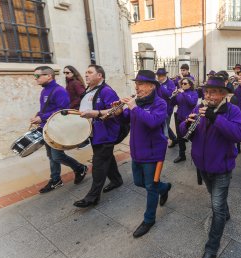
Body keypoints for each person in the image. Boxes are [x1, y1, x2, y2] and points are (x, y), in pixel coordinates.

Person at [179, 76, 241, 258]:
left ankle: (211, 251)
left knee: (216, 207)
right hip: (202, 165)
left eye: (213, 92)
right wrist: (186, 122)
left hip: (222, 166)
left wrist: (215, 118)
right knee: (215, 196)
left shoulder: (233, 110)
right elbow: (185, 133)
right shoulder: (198, 108)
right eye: (206, 92)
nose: (208, 95)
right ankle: (225, 210)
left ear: (223, 94)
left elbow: (238, 135)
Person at [119, 70, 172, 238]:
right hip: (137, 151)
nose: (137, 87)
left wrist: (134, 107)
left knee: (150, 187)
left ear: (151, 86)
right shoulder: (138, 101)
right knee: (139, 182)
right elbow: (126, 118)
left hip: (153, 152)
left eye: (140, 84)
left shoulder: (160, 103)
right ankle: (164, 188)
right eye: (136, 84)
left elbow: (153, 122)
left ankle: (149, 219)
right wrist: (119, 111)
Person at [73, 65, 124, 208]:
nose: (86, 75)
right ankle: (116, 180)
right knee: (106, 158)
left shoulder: (107, 91)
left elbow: (116, 110)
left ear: (100, 75)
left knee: (98, 164)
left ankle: (92, 197)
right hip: (95, 133)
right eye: (86, 72)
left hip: (105, 134)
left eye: (90, 72)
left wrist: (94, 113)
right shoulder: (89, 90)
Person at [31, 66, 87, 194]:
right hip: (47, 127)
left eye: (37, 76)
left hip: (57, 129)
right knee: (51, 156)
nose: (36, 79)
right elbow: (46, 108)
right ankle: (55, 179)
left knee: (57, 156)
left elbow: (63, 111)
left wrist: (42, 117)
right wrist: (38, 115)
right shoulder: (44, 91)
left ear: (49, 76)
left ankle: (80, 168)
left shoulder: (59, 91)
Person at [171, 77, 198, 163]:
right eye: (182, 83)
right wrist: (173, 96)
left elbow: (192, 103)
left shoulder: (194, 93)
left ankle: (196, 155)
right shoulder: (179, 93)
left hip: (190, 119)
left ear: (190, 85)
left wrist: (184, 94)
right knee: (180, 138)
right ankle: (182, 155)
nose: (182, 85)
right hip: (179, 117)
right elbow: (172, 103)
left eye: (185, 83)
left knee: (193, 137)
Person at [156, 68, 177, 147]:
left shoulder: (170, 83)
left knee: (165, 126)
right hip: (159, 108)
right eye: (158, 76)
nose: (158, 78)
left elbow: (169, 95)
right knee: (165, 125)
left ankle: (163, 143)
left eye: (160, 76)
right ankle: (174, 139)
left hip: (168, 108)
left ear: (164, 76)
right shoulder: (157, 83)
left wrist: (161, 86)